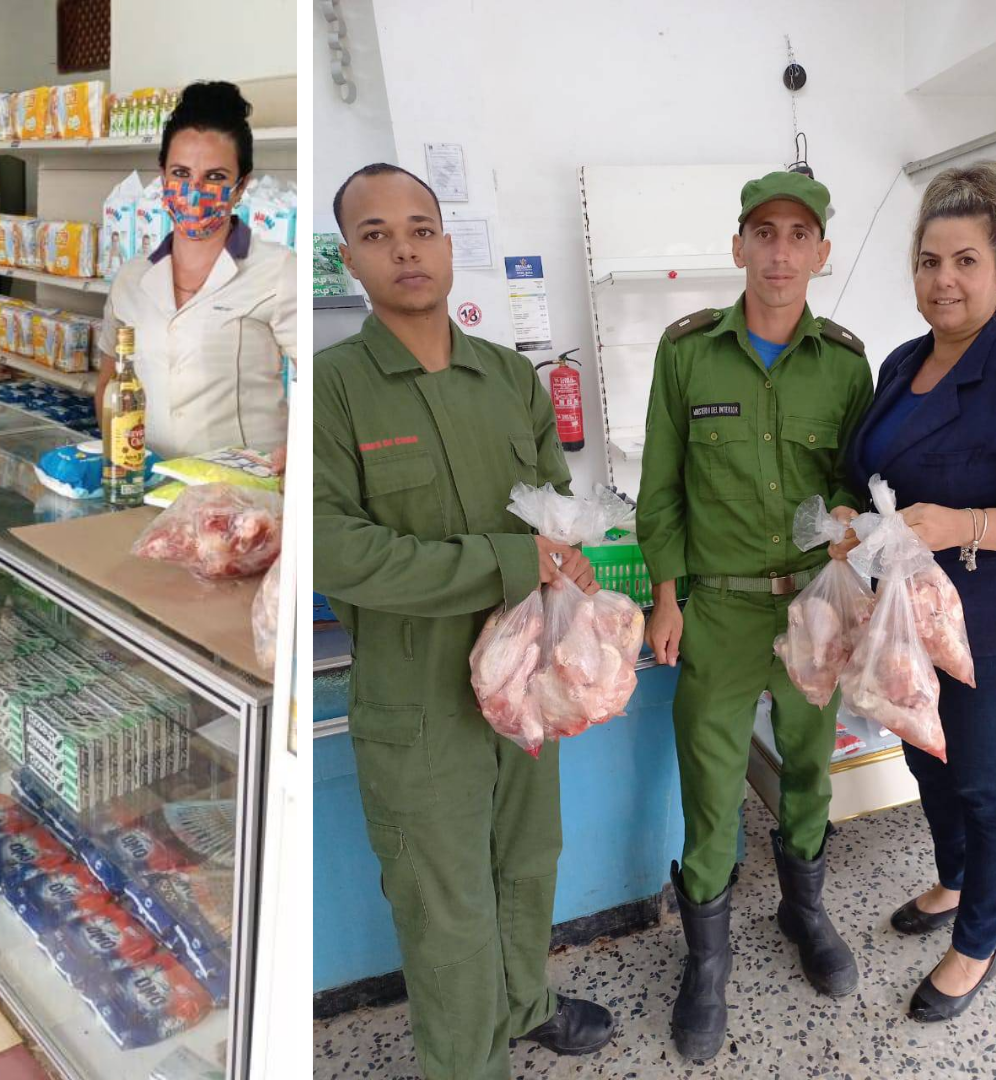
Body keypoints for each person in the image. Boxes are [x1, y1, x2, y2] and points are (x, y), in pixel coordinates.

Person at [313, 162, 615, 1080]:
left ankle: (524, 1005)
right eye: (376, 234)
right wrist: (502, 561)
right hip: (417, 701)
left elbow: (553, 505)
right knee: (445, 909)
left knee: (529, 858)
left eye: (421, 228)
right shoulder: (336, 387)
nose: (404, 248)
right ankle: (468, 1063)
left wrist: (568, 557)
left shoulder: (509, 378)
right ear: (350, 259)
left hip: (527, 681)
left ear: (447, 244)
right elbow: (337, 551)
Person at [636, 170, 874, 1061]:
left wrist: (854, 533)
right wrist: (667, 596)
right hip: (721, 614)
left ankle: (803, 914)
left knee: (810, 771)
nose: (780, 252)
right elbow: (661, 490)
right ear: (738, 246)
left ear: (820, 252)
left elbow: (857, 483)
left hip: (813, 609)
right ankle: (708, 964)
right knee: (710, 784)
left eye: (797, 235)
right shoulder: (688, 353)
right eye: (763, 233)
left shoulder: (847, 364)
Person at [839, 162, 996, 1021]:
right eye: (931, 261)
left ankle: (979, 942)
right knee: (924, 756)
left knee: (985, 779)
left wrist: (964, 523)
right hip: (911, 617)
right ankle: (953, 878)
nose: (945, 280)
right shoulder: (903, 362)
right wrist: (846, 509)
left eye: (966, 261)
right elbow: (871, 470)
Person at [96, 81, 294, 462]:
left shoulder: (277, 270)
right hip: (149, 482)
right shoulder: (131, 279)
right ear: (163, 178)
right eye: (181, 174)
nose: (194, 190)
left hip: (244, 495)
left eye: (216, 177)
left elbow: (321, 380)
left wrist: (297, 457)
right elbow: (109, 384)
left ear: (241, 187)